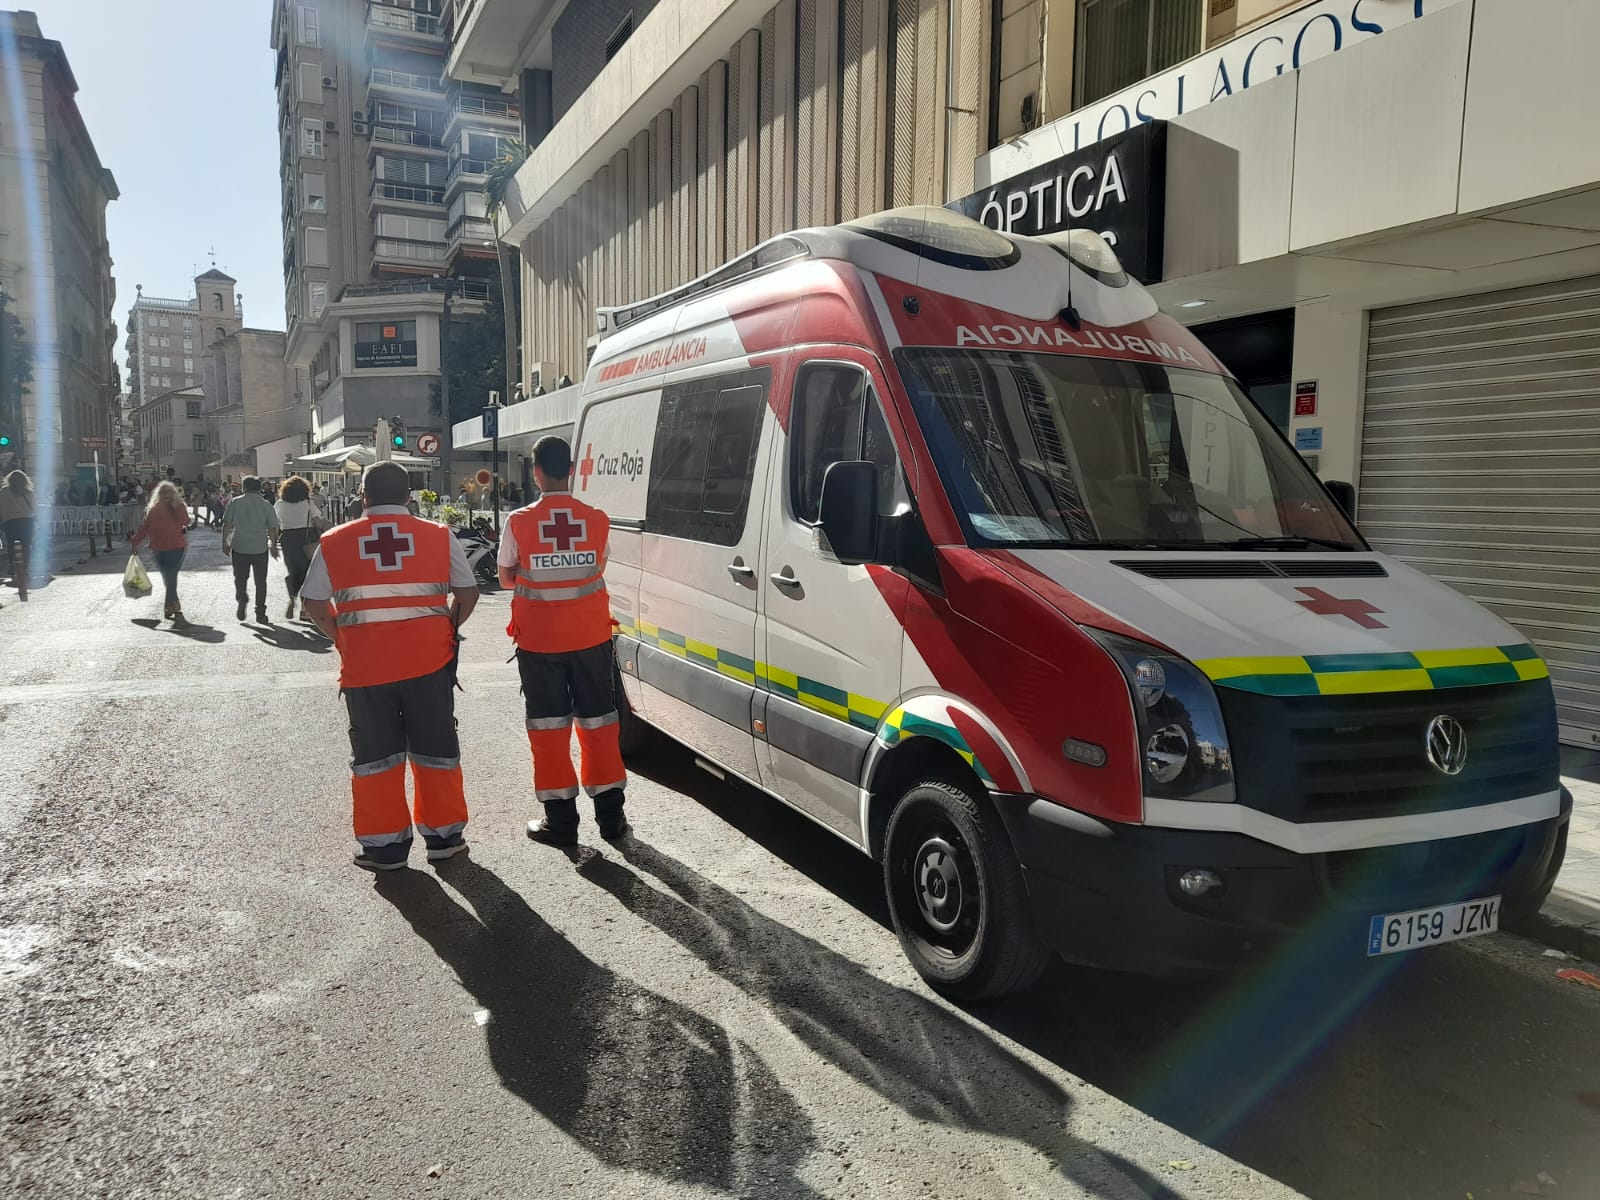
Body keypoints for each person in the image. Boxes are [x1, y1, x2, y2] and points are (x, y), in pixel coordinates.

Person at [299, 461, 479, 870]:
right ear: (408, 496)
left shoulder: (335, 540)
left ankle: (384, 848)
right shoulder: (437, 535)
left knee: (376, 755)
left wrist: (342, 638)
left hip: (366, 667)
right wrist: (446, 630)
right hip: (430, 663)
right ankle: (444, 837)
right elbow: (467, 594)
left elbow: (312, 602)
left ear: (363, 496)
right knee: (436, 748)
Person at [498, 435, 629, 846]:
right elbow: (598, 565)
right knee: (600, 724)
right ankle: (612, 821)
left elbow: (505, 577)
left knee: (549, 730)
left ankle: (562, 823)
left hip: (539, 643)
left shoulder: (519, 521)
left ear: (536, 473)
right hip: (591, 638)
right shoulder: (596, 518)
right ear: (570, 470)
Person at [129, 480, 190, 627]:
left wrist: (176, 508)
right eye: (164, 492)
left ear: (174, 494)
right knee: (166, 577)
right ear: (158, 494)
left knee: (171, 575)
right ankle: (174, 603)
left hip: (176, 547)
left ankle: (168, 606)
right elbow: (144, 528)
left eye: (170, 492)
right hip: (158, 548)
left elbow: (186, 521)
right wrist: (135, 542)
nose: (167, 495)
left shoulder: (179, 507)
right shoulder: (153, 509)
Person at [222, 476, 281, 623]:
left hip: (239, 546)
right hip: (259, 548)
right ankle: (260, 612)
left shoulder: (235, 502)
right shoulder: (266, 505)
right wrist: (273, 546)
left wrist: (225, 542)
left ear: (244, 487)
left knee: (240, 578)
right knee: (261, 581)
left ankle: (242, 598)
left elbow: (227, 524)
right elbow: (273, 528)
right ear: (259, 488)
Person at [274, 475, 326, 621]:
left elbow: (276, 523)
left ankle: (292, 597)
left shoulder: (279, 504)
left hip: (288, 539)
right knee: (308, 574)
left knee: (293, 570)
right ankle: (304, 609)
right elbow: (317, 522)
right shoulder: (308, 503)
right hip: (306, 538)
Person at [1, 470, 38, 602]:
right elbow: (35, 507)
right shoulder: (28, 492)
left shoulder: (4, 491)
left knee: (12, 544)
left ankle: (13, 563)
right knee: (26, 545)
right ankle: (24, 567)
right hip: (26, 521)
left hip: (10, 522)